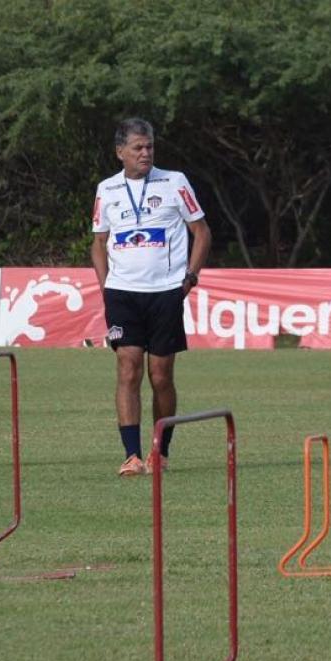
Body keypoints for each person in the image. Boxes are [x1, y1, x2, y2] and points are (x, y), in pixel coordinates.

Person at [90, 118, 212, 477]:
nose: (145, 153)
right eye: (138, 148)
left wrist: (190, 278)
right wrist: (106, 287)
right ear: (120, 152)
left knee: (160, 376)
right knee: (128, 368)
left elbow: (202, 232)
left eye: (150, 147)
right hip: (122, 294)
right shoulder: (107, 189)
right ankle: (132, 455)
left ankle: (161, 451)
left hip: (165, 293)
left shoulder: (175, 182)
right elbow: (98, 242)